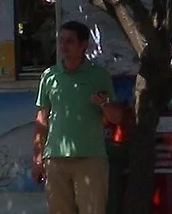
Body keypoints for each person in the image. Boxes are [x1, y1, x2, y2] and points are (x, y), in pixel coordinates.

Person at [33, 22, 118, 214]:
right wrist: (37, 158)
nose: (63, 46)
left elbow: (116, 118)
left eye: (70, 41)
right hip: (55, 159)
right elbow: (41, 119)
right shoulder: (49, 76)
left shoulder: (99, 76)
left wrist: (104, 104)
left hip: (90, 158)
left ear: (83, 45)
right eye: (61, 40)